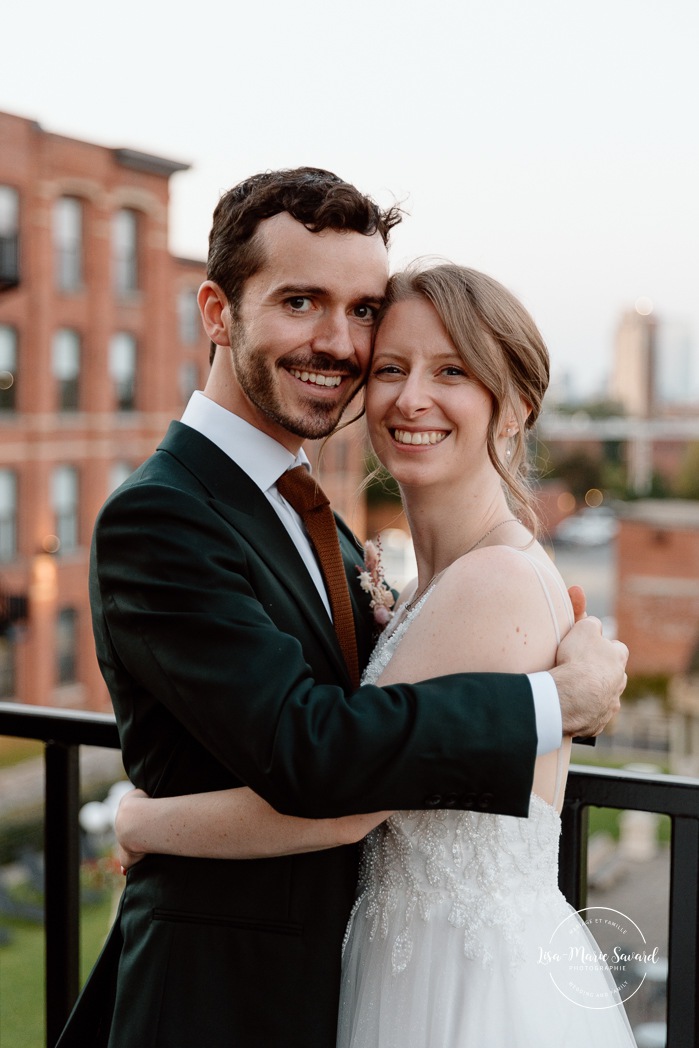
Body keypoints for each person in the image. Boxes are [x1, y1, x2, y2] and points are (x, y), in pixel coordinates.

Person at [58, 169, 627, 1048]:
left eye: (362, 310)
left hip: (398, 985)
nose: (338, 342)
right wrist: (553, 703)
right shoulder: (163, 516)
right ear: (217, 312)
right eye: (299, 301)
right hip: (223, 997)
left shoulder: (305, 504)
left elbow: (380, 718)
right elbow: (314, 751)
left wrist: (144, 820)